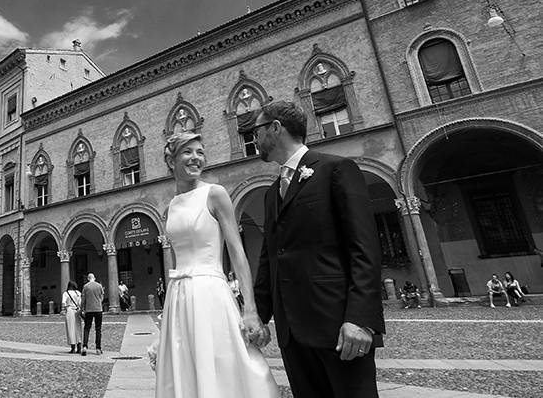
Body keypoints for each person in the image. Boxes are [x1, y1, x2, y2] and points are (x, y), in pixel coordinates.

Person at [253, 101, 385, 398]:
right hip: (293, 334)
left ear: (276, 128)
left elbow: (364, 247)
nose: (254, 138)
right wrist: (257, 316)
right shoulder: (273, 192)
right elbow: (270, 259)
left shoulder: (335, 169)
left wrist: (361, 319)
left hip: (339, 327)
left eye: (257, 131)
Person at [155, 131, 277, 398]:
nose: (196, 158)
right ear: (171, 160)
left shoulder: (215, 194)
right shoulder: (171, 205)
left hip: (210, 291)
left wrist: (250, 309)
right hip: (178, 297)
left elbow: (237, 253)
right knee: (187, 370)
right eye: (187, 152)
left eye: (200, 152)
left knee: (223, 363)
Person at [80, 273, 104, 356]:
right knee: (98, 329)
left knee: (87, 328)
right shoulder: (99, 286)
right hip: (98, 309)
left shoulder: (85, 286)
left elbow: (83, 299)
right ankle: (98, 348)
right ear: (94, 278)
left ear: (88, 278)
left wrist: (82, 308)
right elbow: (102, 297)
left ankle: (85, 347)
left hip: (89, 310)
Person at [61, 281, 83, 353]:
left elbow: (63, 303)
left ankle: (73, 347)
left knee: (71, 328)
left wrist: (63, 309)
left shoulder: (66, 293)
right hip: (77, 311)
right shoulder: (78, 293)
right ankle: (79, 346)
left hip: (69, 310)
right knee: (78, 328)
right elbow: (81, 303)